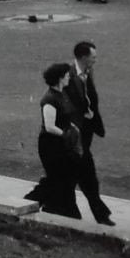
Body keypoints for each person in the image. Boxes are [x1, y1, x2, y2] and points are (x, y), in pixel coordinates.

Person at [22, 62, 82, 219]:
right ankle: (51, 206)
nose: (69, 77)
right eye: (67, 75)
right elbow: (49, 126)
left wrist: (73, 128)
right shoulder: (49, 99)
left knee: (64, 177)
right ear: (60, 78)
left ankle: (54, 207)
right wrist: (66, 134)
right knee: (60, 177)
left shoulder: (62, 95)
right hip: (52, 145)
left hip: (63, 144)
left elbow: (65, 117)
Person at [62, 41, 113, 226]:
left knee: (75, 175)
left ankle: (69, 210)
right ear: (83, 58)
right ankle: (100, 214)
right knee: (87, 174)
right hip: (76, 134)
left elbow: (89, 97)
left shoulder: (86, 72)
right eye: (93, 57)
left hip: (87, 131)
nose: (96, 60)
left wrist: (91, 116)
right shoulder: (68, 75)